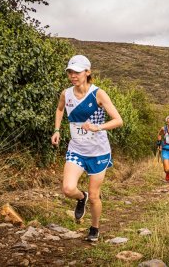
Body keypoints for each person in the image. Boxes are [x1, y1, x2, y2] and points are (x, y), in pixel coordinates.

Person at [51, 55, 123, 242]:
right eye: (70, 72)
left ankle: (95, 228)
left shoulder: (98, 94)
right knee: (68, 188)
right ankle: (79, 197)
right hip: (76, 149)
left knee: (94, 196)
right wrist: (57, 130)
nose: (73, 75)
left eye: (77, 71)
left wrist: (97, 127)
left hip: (98, 152)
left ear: (87, 72)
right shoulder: (66, 94)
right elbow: (60, 110)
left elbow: (118, 120)